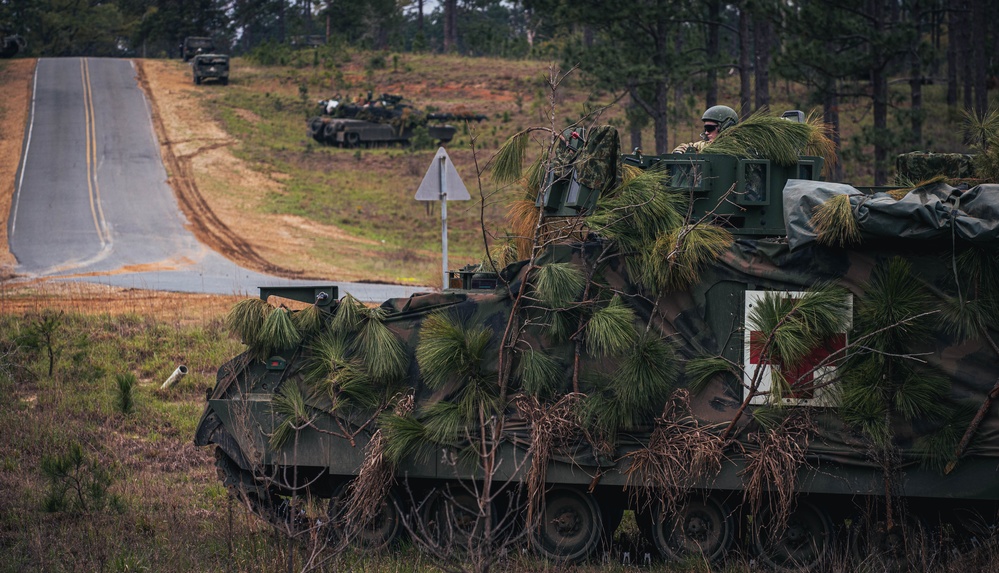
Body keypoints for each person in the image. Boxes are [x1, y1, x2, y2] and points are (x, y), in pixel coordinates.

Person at [672, 105, 739, 153]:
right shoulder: (703, 145)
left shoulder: (738, 148)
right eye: (705, 129)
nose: (706, 133)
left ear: (725, 128)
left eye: (709, 128)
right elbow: (688, 146)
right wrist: (679, 152)